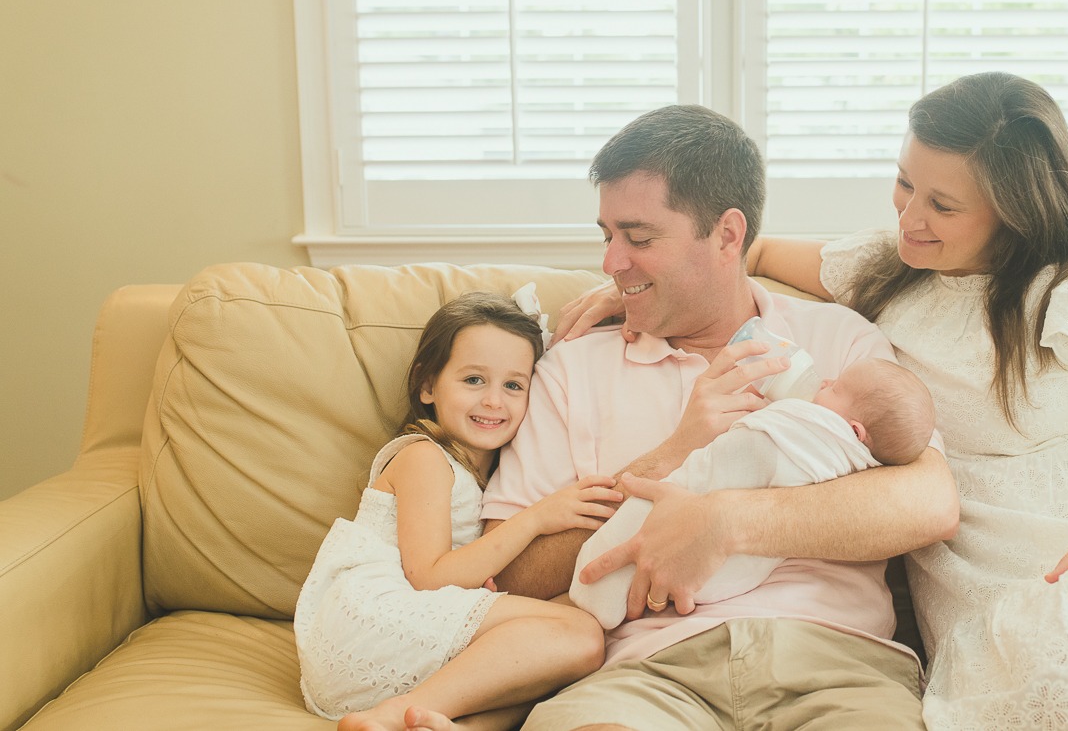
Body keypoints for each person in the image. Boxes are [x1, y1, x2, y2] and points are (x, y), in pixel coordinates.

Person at [558, 73, 1068, 727]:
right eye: (902, 184)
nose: (910, 218)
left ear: (1013, 209)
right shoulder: (886, 269)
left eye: (942, 203)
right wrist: (630, 285)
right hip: (999, 581)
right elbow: (737, 246)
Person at [441, 104, 959, 731]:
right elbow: (515, 578)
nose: (610, 263)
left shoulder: (840, 345)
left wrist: (724, 524)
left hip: (835, 664)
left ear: (727, 234)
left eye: (639, 238)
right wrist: (670, 456)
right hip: (645, 674)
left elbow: (927, 505)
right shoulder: (570, 368)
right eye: (607, 236)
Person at [295, 290, 624, 731]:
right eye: (473, 380)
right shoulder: (423, 458)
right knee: (582, 636)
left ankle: (447, 723)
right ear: (427, 385)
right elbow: (429, 576)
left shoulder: (493, 476)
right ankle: (392, 716)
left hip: (402, 641)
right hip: (370, 625)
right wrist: (538, 518)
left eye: (513, 385)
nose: (493, 401)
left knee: (554, 654)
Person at [571, 356, 936, 629]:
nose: (823, 382)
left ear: (854, 433)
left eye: (836, 388)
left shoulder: (819, 427)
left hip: (825, 637)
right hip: (667, 643)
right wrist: (677, 448)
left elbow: (932, 507)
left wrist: (721, 520)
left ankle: (599, 598)